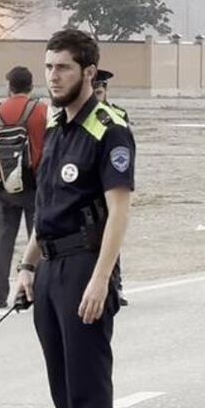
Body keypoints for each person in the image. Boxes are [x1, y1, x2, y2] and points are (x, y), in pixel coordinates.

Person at [14, 29, 135, 408]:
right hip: (49, 269)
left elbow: (119, 211)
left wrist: (101, 280)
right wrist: (27, 265)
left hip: (84, 267)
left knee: (87, 391)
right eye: (49, 67)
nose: (53, 76)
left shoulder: (108, 129)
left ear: (89, 72)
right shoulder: (56, 126)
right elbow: (48, 207)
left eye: (64, 67)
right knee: (62, 390)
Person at [0, 65, 48, 309]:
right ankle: (39, 291)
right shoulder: (42, 110)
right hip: (37, 185)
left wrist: (0, 177)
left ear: (9, 86)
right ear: (31, 86)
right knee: (39, 239)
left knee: (1, 241)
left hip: (7, 187)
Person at [93, 68, 130, 308]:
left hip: (110, 185)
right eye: (93, 91)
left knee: (112, 239)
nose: (97, 96)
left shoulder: (117, 116)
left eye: (99, 91)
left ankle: (115, 286)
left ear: (105, 91)